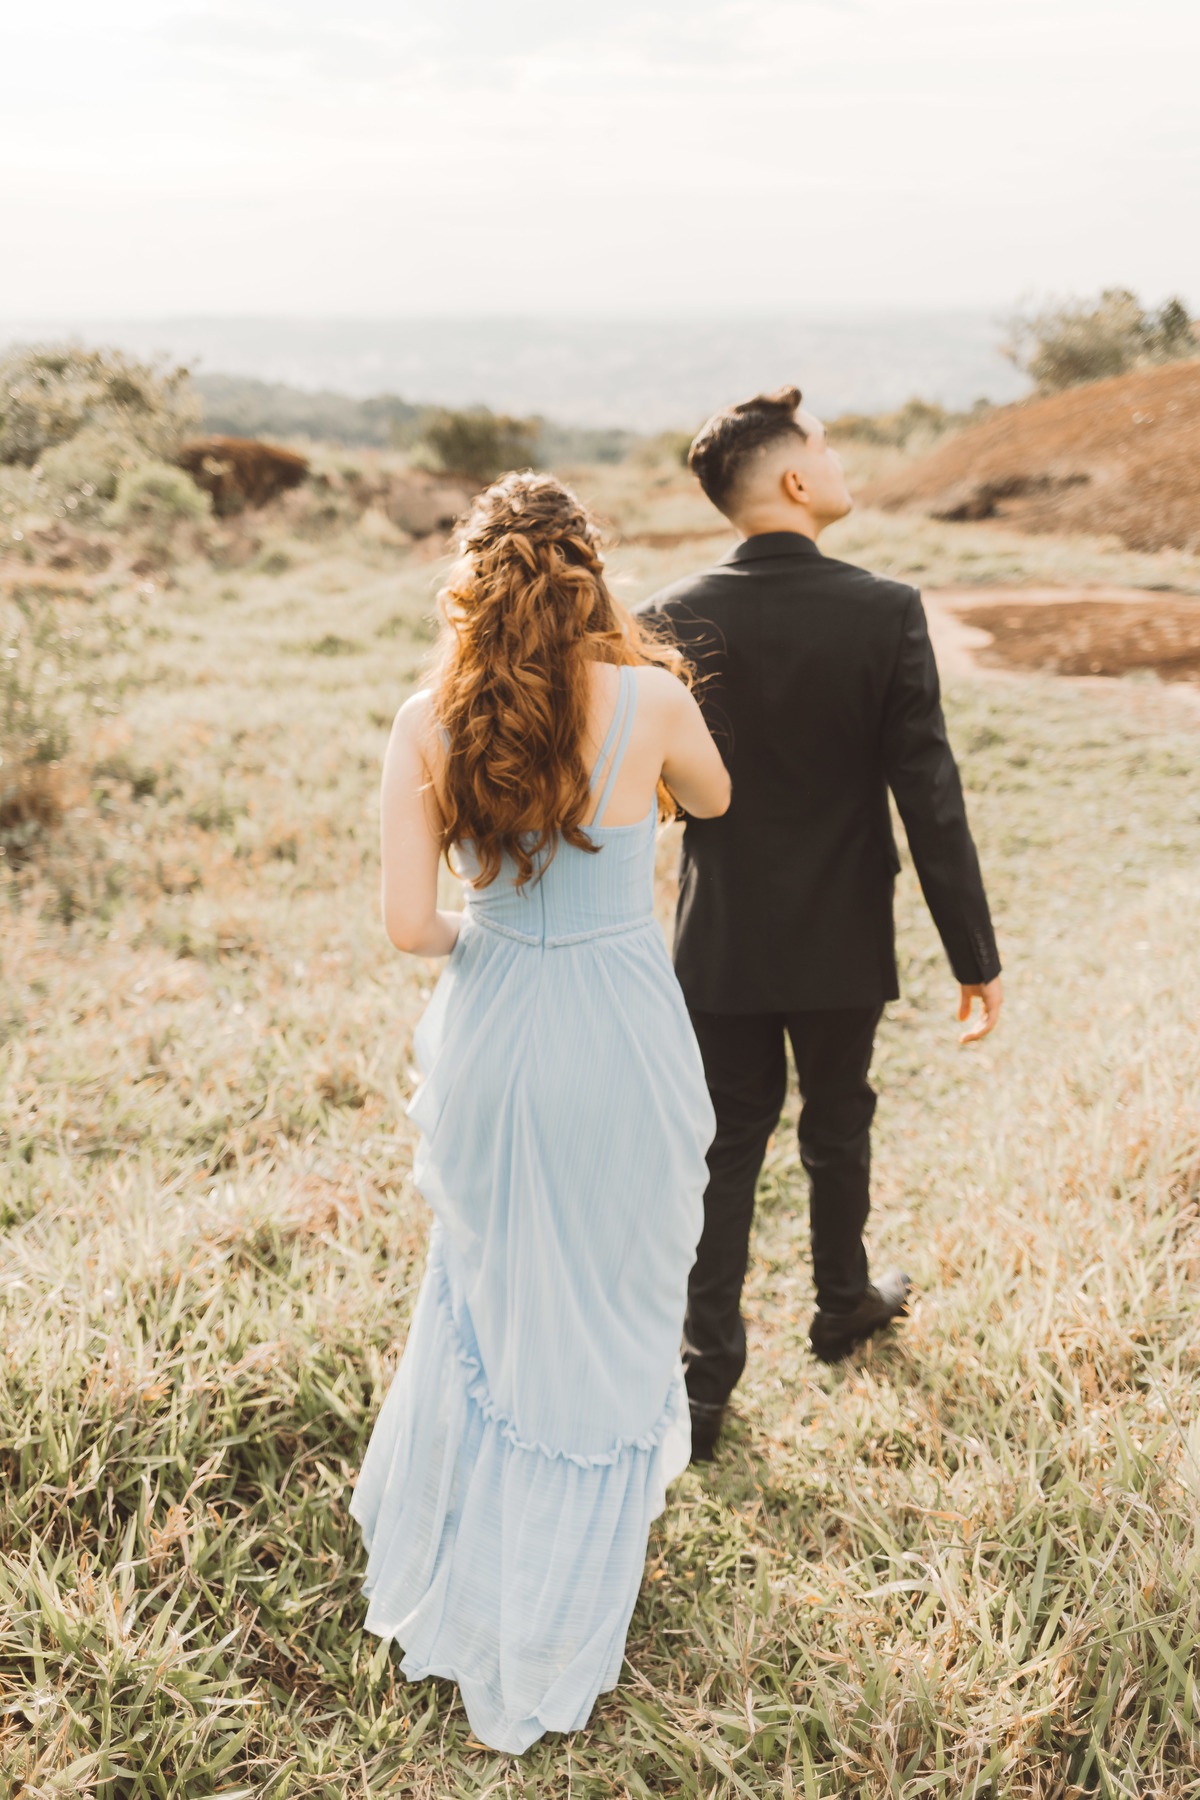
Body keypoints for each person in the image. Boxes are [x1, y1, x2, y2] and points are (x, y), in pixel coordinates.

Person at [350, 472, 730, 1754]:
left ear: (470, 586)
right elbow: (715, 799)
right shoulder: (653, 697)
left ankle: (473, 1560)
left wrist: (500, 935)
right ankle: (568, 1580)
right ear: (589, 576)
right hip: (620, 1021)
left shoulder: (426, 720)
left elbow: (411, 927)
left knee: (489, 1285)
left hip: (496, 1020)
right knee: (615, 1288)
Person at [638, 386, 1002, 1463]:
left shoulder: (666, 616)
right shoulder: (885, 610)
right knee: (839, 1123)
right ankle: (842, 1304)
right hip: (845, 928)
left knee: (723, 1145)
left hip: (719, 936)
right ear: (796, 480)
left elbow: (646, 794)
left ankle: (705, 1385)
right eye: (828, 448)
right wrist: (974, 957)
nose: (840, 462)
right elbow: (928, 794)